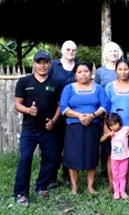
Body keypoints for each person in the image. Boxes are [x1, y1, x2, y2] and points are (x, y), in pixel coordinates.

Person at [14, 51, 61, 206]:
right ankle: (21, 193)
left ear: (50, 64)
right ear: (34, 64)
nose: (42, 66)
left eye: (45, 62)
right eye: (39, 62)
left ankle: (41, 186)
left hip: (48, 129)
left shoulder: (55, 83)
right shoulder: (24, 81)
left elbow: (60, 105)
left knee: (49, 159)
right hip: (30, 130)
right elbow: (17, 104)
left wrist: (54, 121)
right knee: (25, 159)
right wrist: (29, 111)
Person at [60, 61, 108, 195]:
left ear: (90, 73)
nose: (83, 74)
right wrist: (79, 116)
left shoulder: (98, 88)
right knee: (73, 155)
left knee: (91, 154)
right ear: (75, 74)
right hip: (74, 127)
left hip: (92, 126)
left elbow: (104, 105)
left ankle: (90, 186)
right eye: (80, 72)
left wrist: (92, 116)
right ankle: (74, 187)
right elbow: (64, 108)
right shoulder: (68, 89)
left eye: (86, 71)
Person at [105, 59, 129, 194]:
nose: (123, 72)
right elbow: (106, 109)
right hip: (113, 128)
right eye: (120, 69)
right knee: (111, 156)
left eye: (125, 69)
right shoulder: (109, 86)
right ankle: (111, 184)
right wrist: (107, 129)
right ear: (115, 71)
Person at [49, 40, 77, 187]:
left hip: (74, 112)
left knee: (70, 146)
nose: (70, 52)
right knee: (55, 146)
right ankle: (51, 177)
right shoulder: (53, 66)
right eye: (68, 49)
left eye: (73, 50)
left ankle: (67, 176)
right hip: (56, 112)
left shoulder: (79, 67)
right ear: (62, 50)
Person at [94, 42, 123, 180]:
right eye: (110, 51)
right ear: (106, 53)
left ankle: (121, 168)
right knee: (106, 140)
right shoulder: (100, 71)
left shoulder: (123, 68)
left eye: (115, 51)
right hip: (105, 112)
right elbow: (97, 91)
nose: (113, 54)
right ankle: (105, 171)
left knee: (121, 140)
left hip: (122, 112)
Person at [101, 113, 129, 200]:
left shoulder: (125, 129)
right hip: (114, 159)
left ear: (119, 122)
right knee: (115, 176)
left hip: (124, 158)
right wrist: (107, 135)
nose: (113, 127)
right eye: (111, 126)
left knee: (122, 175)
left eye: (115, 124)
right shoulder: (111, 133)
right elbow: (101, 140)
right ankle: (116, 192)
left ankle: (122, 191)